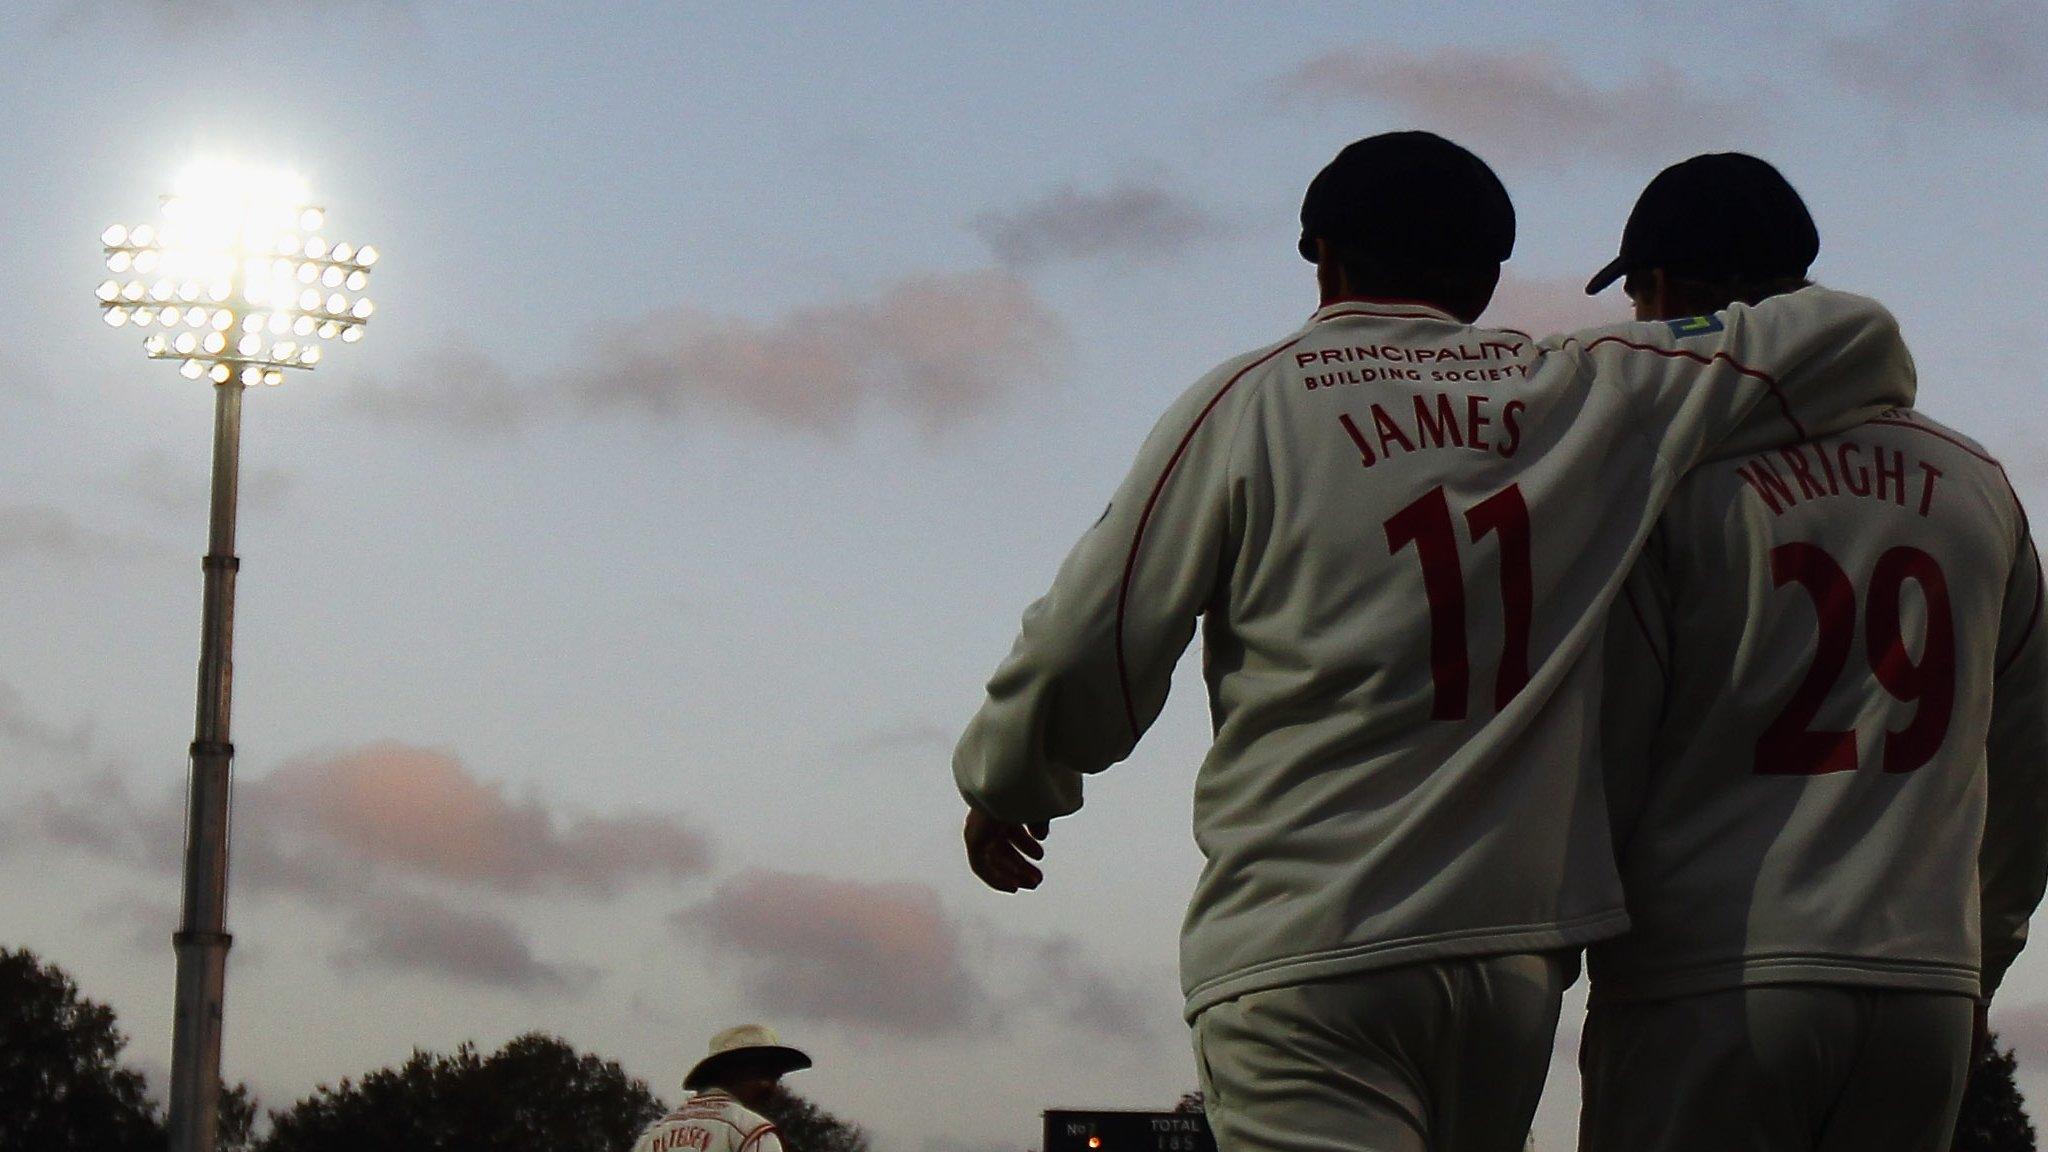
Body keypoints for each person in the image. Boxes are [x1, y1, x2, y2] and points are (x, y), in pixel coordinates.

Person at [952, 130, 1917, 1152]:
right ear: (1486, 273)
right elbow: (1848, 335)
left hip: (1306, 940)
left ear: (1318, 254)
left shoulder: (1251, 399)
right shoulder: (1579, 392)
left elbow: (1087, 639)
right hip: (1506, 957)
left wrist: (1012, 777)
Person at [1580, 153, 2048, 1152]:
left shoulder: (1677, 481)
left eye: (1633, 294)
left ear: (1666, 294)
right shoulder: (1977, 487)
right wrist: (1976, 963)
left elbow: (1606, 752)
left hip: (1710, 979)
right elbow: (2025, 769)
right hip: (1918, 982)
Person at [630, 1024, 810, 1152]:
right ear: (732, 1072)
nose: (772, 1088)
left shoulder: (651, 1135)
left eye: (775, 1077)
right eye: (764, 1075)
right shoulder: (752, 1130)